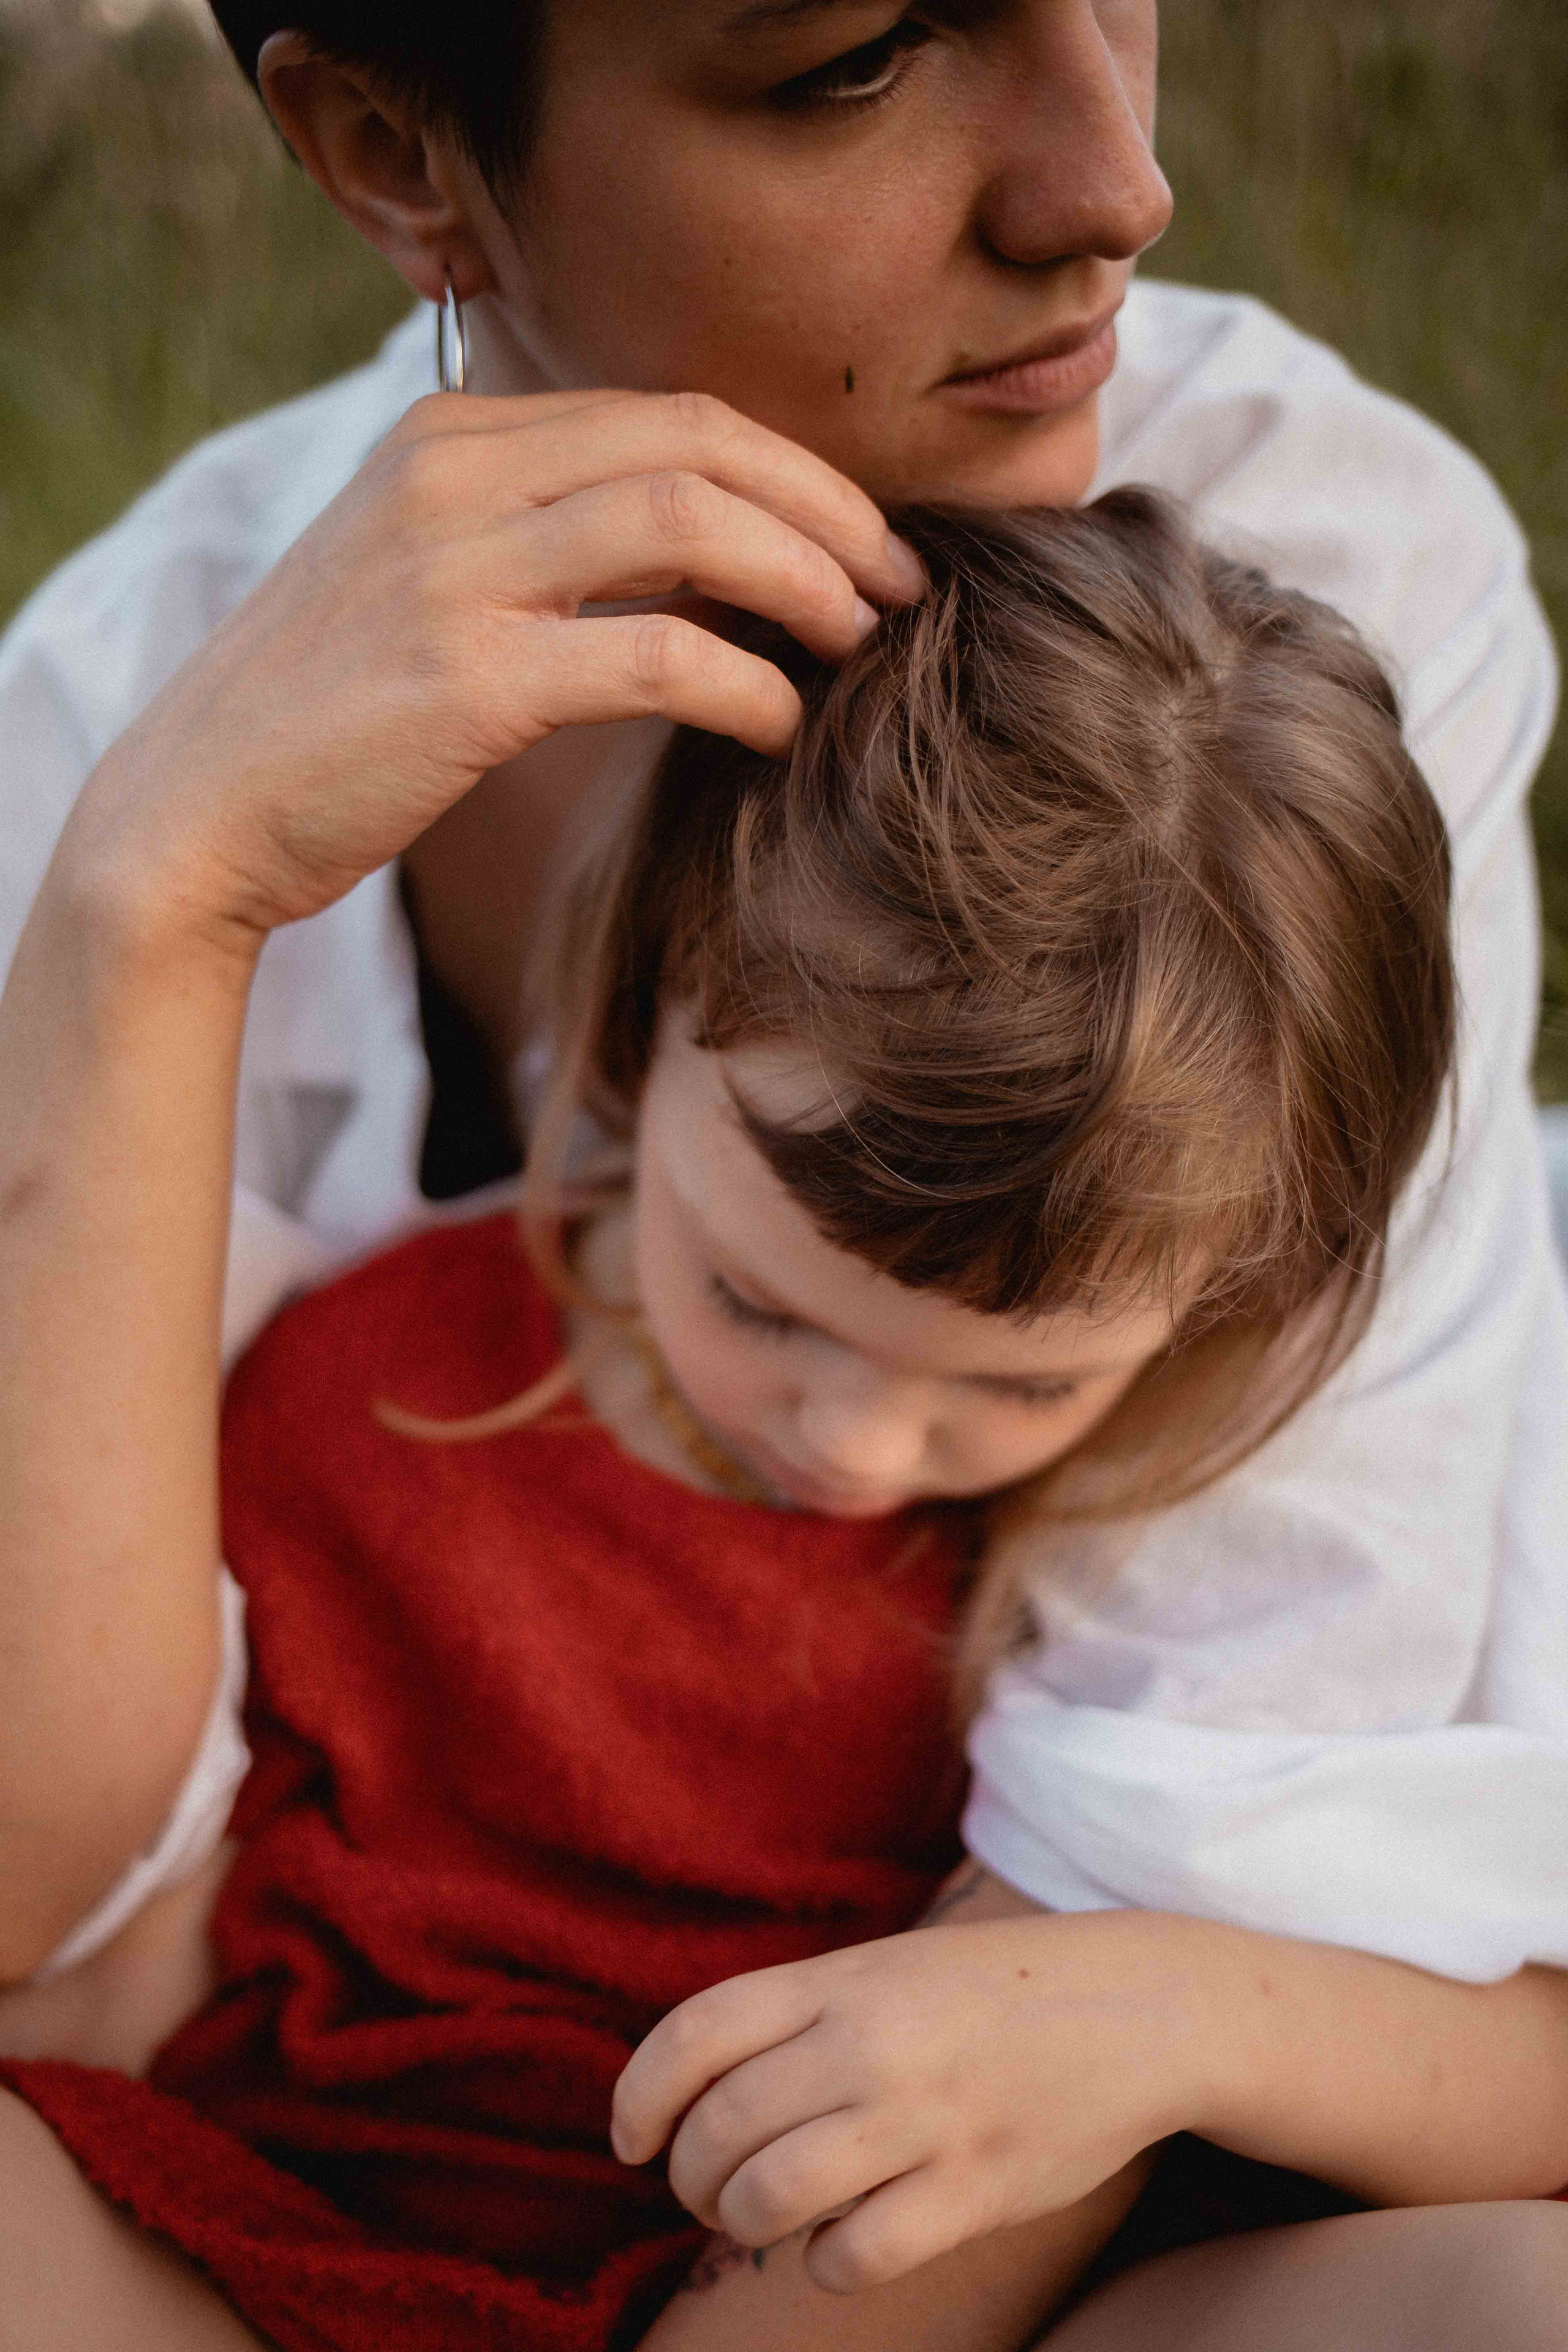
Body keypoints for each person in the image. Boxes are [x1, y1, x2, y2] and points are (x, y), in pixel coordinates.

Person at [0, 0, 1564, 2340]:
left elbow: (1189, 1847)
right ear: (388, 144)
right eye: (854, 58)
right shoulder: (112, 703)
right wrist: (154, 908)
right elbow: (46, 1915)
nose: (1115, 183)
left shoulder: (1321, 619)